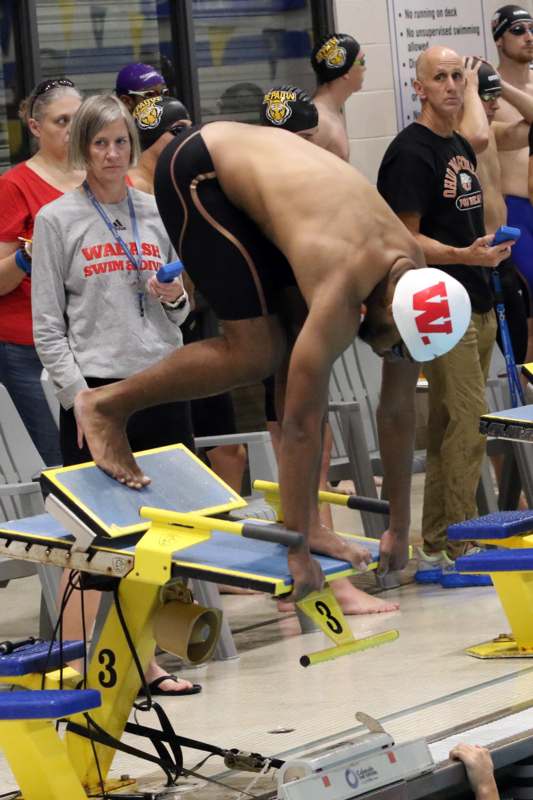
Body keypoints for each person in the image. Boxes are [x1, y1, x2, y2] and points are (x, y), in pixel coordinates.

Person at [73, 119, 474, 600]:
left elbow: (397, 409)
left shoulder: (415, 283)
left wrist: (398, 526)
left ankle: (305, 522)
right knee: (258, 351)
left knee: (291, 344)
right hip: (202, 171)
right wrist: (296, 550)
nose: (390, 355)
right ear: (384, 308)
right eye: (391, 345)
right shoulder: (343, 285)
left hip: (269, 186)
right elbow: (301, 423)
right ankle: (106, 406)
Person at [31, 93, 199, 697]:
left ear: (132, 146)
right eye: (98, 143)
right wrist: (79, 398)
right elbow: (46, 326)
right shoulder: (56, 220)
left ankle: (145, 661)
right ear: (82, 148)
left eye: (120, 142)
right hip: (97, 394)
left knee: (158, 533)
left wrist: (170, 296)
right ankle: (75, 662)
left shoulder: (156, 213)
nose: (110, 153)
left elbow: (182, 316)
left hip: (158, 381)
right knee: (93, 535)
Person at [260, 85, 400, 615]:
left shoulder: (316, 185)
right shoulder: (277, 193)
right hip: (284, 338)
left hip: (302, 331)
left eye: (303, 139)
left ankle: (309, 571)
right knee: (303, 453)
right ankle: (323, 579)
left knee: (309, 450)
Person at [377, 47, 512, 584]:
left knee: (450, 426)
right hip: (438, 303)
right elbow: (402, 238)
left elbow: (463, 223)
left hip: (476, 294)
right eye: (441, 78)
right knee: (470, 420)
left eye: (459, 76)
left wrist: (486, 251)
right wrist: (463, 256)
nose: (453, 86)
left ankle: (436, 544)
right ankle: (460, 540)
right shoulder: (410, 153)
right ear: (419, 88)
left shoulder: (458, 143)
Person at [130, 94, 247, 495]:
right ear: (152, 139)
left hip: (195, 327)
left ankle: (227, 528)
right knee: (171, 457)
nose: (187, 138)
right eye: (177, 131)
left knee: (229, 449)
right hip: (156, 342)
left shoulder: (180, 182)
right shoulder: (132, 196)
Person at [0, 78, 83, 467]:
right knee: (58, 460)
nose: (72, 129)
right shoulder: (15, 185)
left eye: (79, 119)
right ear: (35, 127)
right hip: (28, 345)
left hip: (89, 339)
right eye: (61, 121)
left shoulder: (102, 177)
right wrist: (27, 257)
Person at [458, 59, 533, 367]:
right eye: (485, 98)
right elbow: (473, 136)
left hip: (500, 258)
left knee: (519, 345)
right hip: (473, 262)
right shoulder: (458, 139)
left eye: (495, 98)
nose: (493, 105)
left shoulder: (492, 133)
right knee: (479, 359)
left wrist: (501, 87)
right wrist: (472, 90)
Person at [492, 5, 533, 301]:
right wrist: (498, 86)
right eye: (517, 31)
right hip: (516, 211)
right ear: (498, 40)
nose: (528, 37)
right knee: (528, 311)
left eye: (531, 29)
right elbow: (495, 141)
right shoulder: (486, 90)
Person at [310, 33, 366, 159]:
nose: (365, 68)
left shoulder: (334, 113)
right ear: (345, 70)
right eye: (362, 61)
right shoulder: (320, 122)